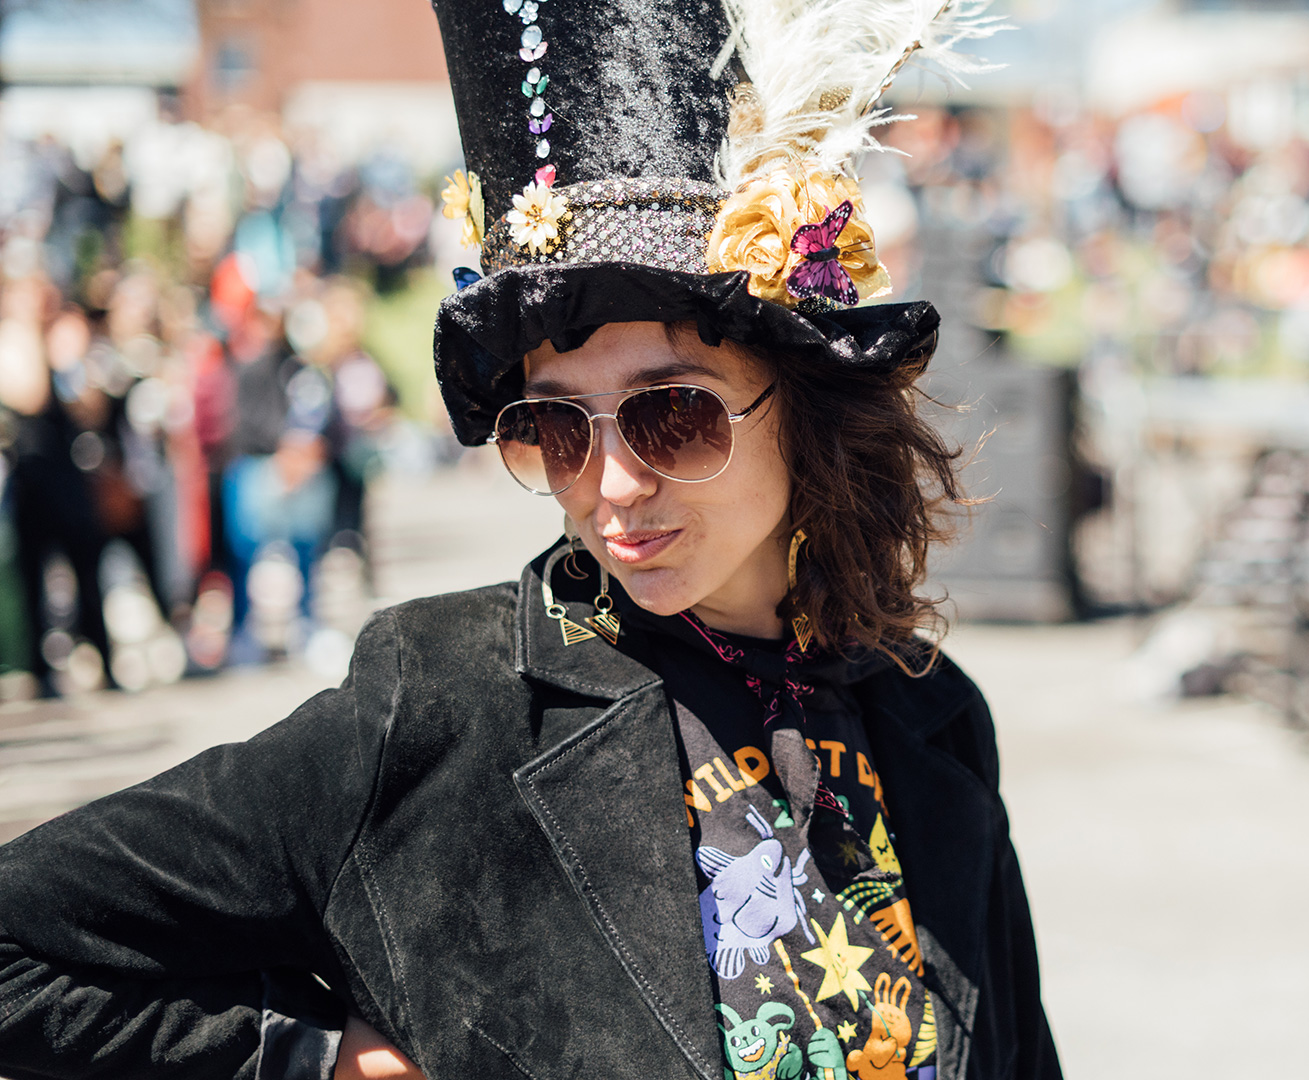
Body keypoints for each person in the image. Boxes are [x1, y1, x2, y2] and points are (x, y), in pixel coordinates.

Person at [0, 2, 1061, 1080]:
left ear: (808, 409)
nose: (612, 486)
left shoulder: (932, 713)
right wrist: (313, 1058)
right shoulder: (440, 703)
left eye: (674, 415)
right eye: (553, 427)